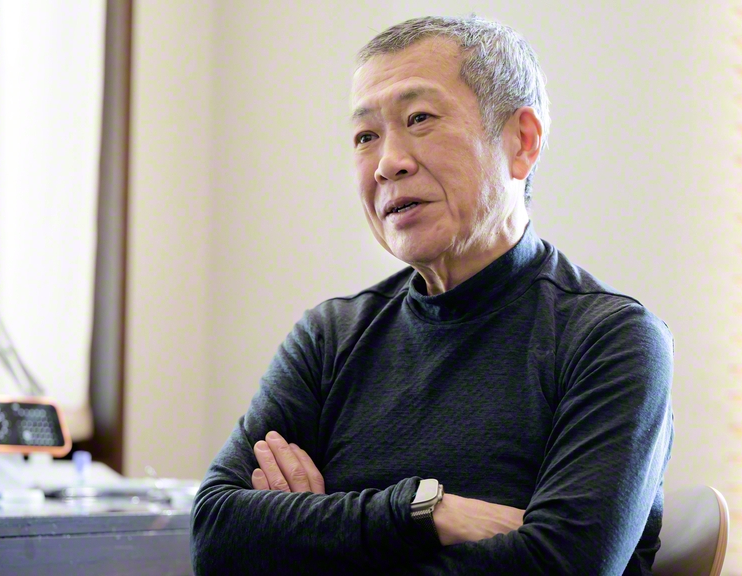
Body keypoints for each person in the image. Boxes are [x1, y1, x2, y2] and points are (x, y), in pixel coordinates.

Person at [191, 15, 673, 575]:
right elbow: (217, 534)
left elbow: (561, 566)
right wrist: (424, 511)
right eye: (366, 136)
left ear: (522, 142)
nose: (387, 163)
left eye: (419, 118)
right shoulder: (329, 338)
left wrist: (319, 537)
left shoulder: (611, 340)